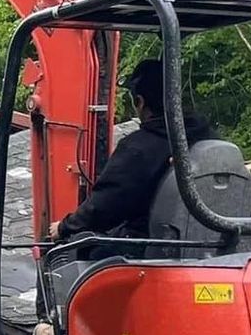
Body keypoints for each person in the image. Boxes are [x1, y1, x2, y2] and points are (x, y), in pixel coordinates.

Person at [49, 56, 211, 240]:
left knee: (72, 251)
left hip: (145, 247)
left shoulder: (138, 149)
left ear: (140, 102)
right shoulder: (205, 136)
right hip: (204, 242)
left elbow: (105, 206)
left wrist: (64, 227)